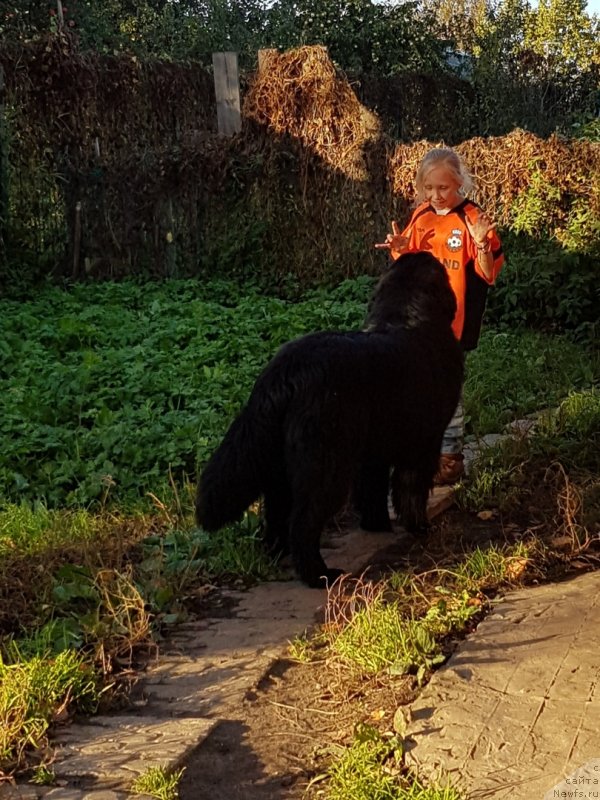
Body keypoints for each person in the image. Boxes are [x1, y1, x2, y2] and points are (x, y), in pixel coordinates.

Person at [375, 147, 504, 485]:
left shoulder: (473, 219)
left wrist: (482, 246)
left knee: (447, 390)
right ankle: (420, 454)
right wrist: (401, 248)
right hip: (418, 323)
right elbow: (406, 268)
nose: (435, 195)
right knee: (418, 387)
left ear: (460, 183)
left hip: (454, 324)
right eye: (428, 189)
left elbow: (489, 275)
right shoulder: (421, 216)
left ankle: (450, 459)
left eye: (443, 188)